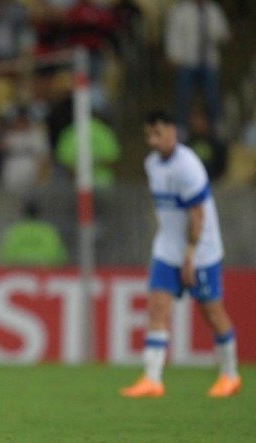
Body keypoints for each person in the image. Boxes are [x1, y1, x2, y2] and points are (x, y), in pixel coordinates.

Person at [120, 111, 240, 399]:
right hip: (167, 247)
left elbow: (196, 215)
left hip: (201, 250)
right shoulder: (152, 164)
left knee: (211, 312)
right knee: (157, 306)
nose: (153, 140)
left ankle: (230, 374)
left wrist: (190, 255)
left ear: (172, 132)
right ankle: (152, 379)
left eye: (158, 134)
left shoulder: (188, 167)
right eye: (149, 135)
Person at [166, 0, 230, 140]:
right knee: (184, 96)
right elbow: (173, 33)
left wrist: (218, 34)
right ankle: (181, 128)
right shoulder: (181, 10)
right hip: (187, 61)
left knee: (212, 96)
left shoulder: (213, 9)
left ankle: (217, 126)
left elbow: (224, 33)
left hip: (208, 61)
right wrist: (174, 55)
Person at [0, 200, 67, 266]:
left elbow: (4, 255)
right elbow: (60, 255)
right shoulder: (48, 230)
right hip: (44, 270)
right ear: (39, 213)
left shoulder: (14, 231)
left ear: (23, 213)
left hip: (19, 271)